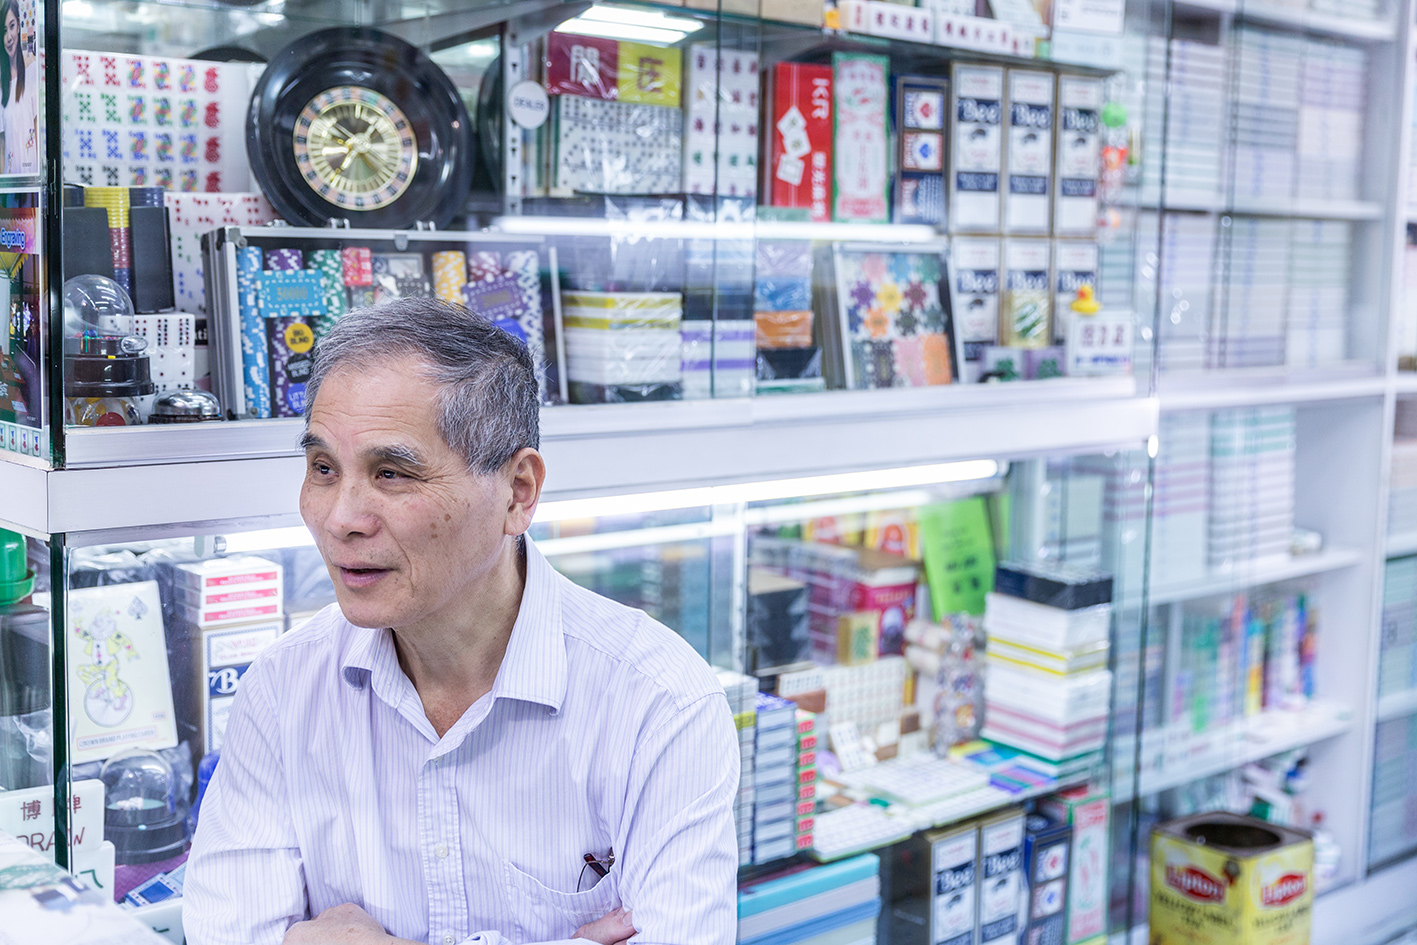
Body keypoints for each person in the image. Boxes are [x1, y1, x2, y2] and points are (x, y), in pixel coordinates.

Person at [182, 298, 739, 945]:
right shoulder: (284, 690)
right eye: (324, 468)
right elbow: (224, 930)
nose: (341, 518)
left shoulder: (657, 703)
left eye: (392, 473)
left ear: (518, 491)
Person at [0, 0, 36, 177]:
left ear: (20, 27)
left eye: (12, 26)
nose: (8, 37)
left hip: (31, 180)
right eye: (4, 30)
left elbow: (37, 129)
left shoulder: (32, 74)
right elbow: (1, 145)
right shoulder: (1, 87)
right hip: (10, 183)